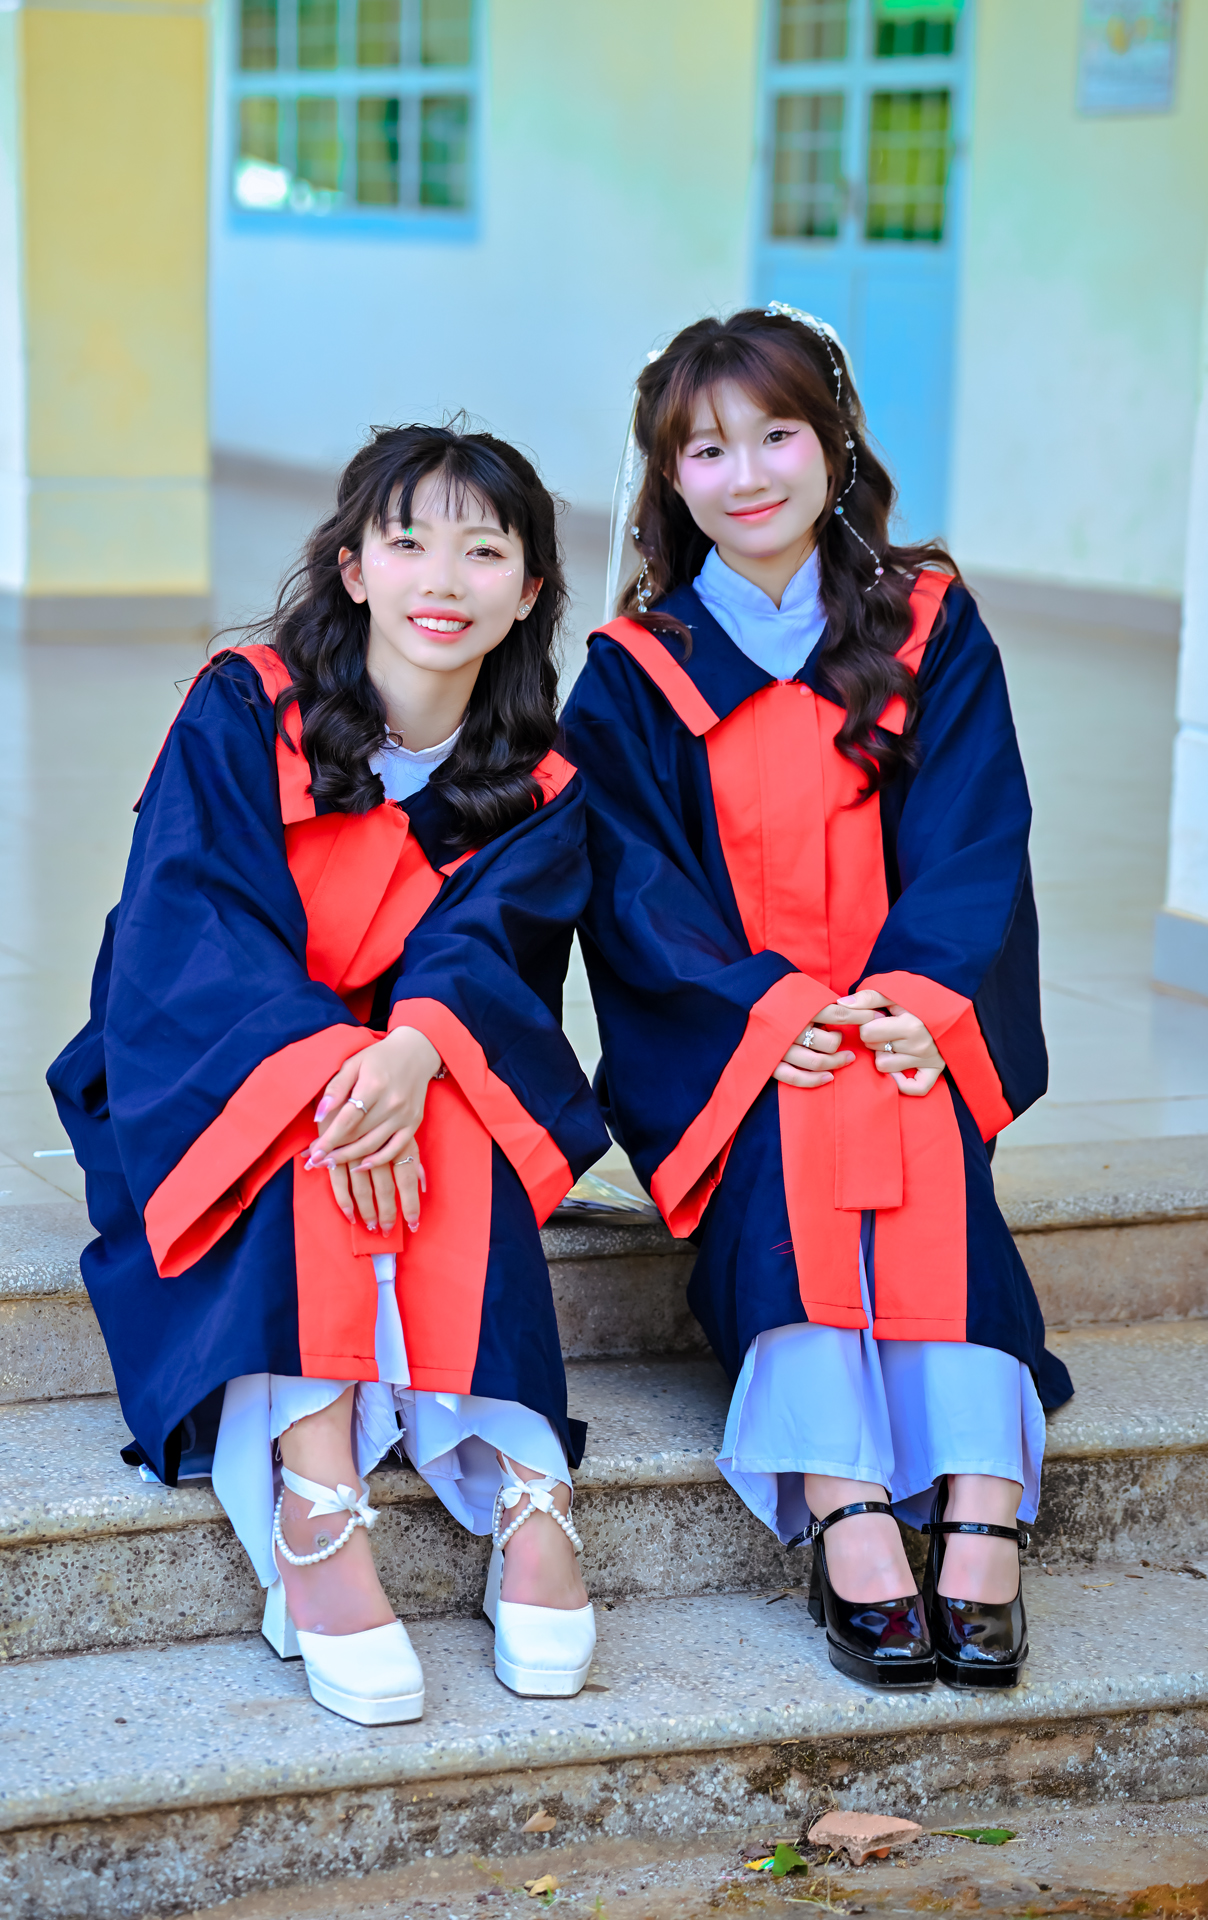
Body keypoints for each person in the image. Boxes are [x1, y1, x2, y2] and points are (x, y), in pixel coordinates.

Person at [50, 423, 610, 1725]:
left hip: (417, 1068)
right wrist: (345, 1063)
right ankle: (317, 1497)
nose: (443, 580)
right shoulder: (245, 708)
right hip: (208, 1066)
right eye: (408, 542)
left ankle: (527, 1485)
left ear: (529, 590)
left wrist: (411, 1048)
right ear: (353, 567)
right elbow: (192, 925)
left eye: (484, 552)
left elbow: (493, 958)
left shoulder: (537, 782)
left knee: (451, 1092)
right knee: (325, 1110)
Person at [562, 306, 1072, 1693]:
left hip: (910, 1018)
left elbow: (977, 836)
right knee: (812, 1095)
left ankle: (978, 1501)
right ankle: (851, 1504)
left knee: (899, 1086)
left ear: (835, 444)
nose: (746, 475)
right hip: (743, 1047)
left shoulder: (931, 627)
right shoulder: (634, 672)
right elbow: (635, 893)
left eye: (776, 434)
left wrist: (917, 1000)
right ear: (669, 478)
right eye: (705, 449)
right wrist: (770, 1011)